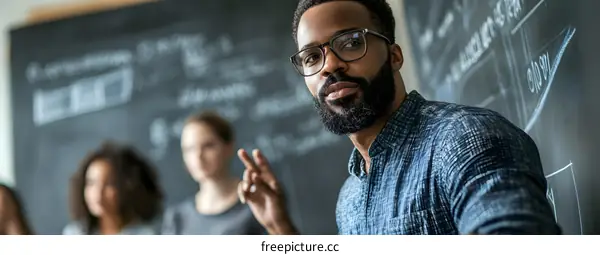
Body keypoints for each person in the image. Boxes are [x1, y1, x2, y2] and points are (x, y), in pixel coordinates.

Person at [237, 0, 561, 234]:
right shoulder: (349, 197)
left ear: (394, 56)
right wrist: (280, 227)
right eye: (312, 56)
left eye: (351, 43)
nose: (330, 65)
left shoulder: (465, 139)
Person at [161, 111, 264, 235]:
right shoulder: (177, 218)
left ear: (229, 147)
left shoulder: (257, 205)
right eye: (189, 149)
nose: (198, 156)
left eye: (208, 146)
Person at [63, 141, 163, 235]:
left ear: (128, 187)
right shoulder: (74, 233)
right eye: (91, 183)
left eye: (109, 184)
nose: (98, 193)